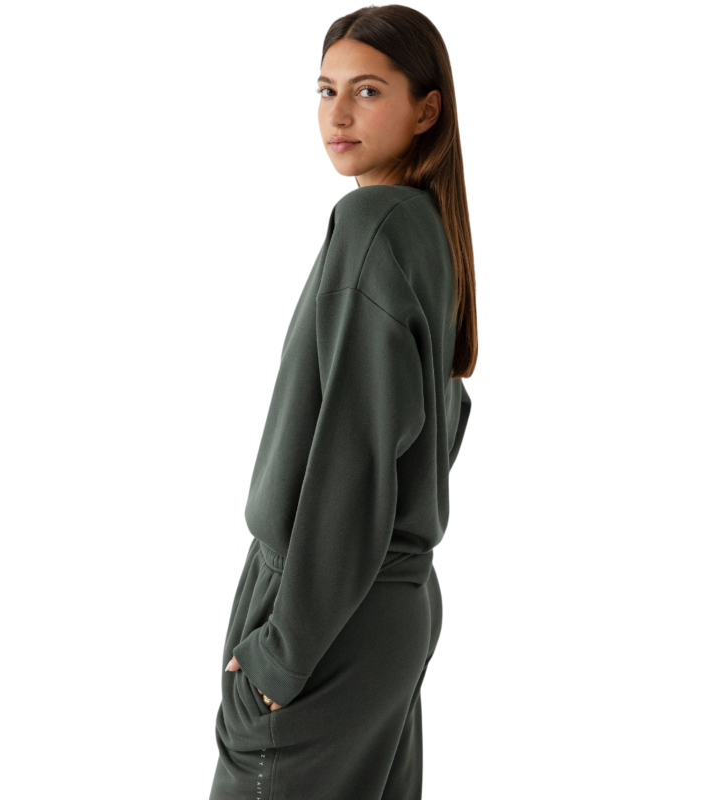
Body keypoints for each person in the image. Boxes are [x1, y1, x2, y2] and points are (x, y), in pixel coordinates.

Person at [210, 5, 476, 799]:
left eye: (368, 91)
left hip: (326, 613)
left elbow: (354, 460)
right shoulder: (429, 232)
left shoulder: (371, 223)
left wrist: (280, 653)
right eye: (326, 91)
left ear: (427, 110)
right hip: (390, 607)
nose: (337, 115)